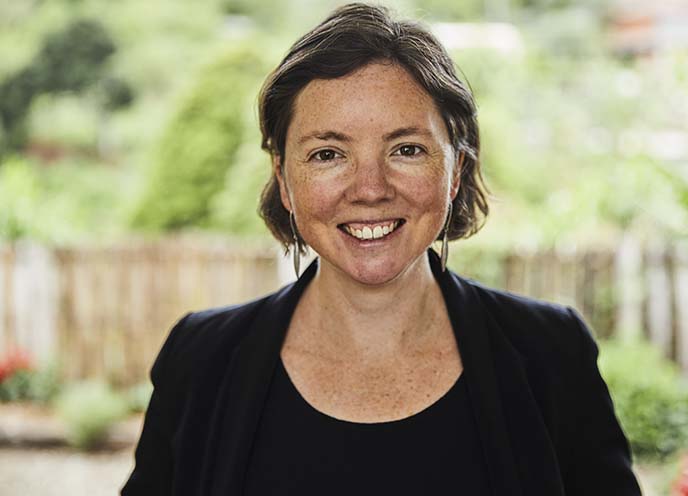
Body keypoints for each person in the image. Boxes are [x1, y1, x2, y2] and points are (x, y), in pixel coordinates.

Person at [122, 3, 642, 495]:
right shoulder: (200, 360)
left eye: (406, 149)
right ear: (284, 180)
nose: (370, 189)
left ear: (455, 171)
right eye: (328, 154)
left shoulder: (551, 354)